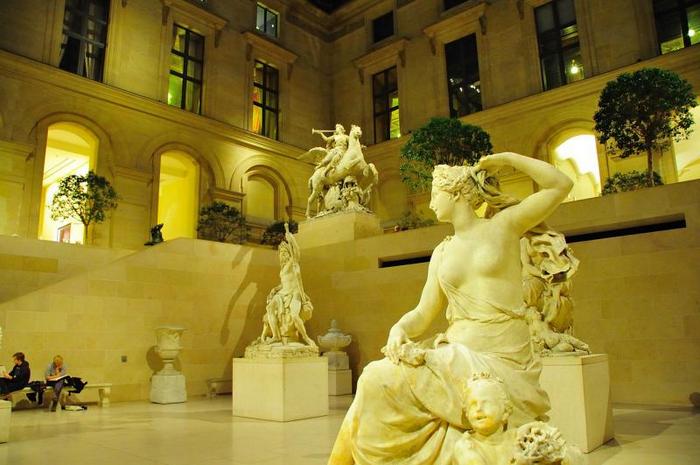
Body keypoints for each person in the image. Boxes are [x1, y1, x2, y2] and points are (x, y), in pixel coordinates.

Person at [328, 152, 573, 465]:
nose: (430, 203)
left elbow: (559, 184)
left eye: (435, 194)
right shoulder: (442, 252)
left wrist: (507, 158)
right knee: (376, 377)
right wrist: (399, 328)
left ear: (456, 193)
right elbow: (423, 312)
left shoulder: (504, 226)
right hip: (453, 353)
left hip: (500, 357)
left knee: (376, 377)